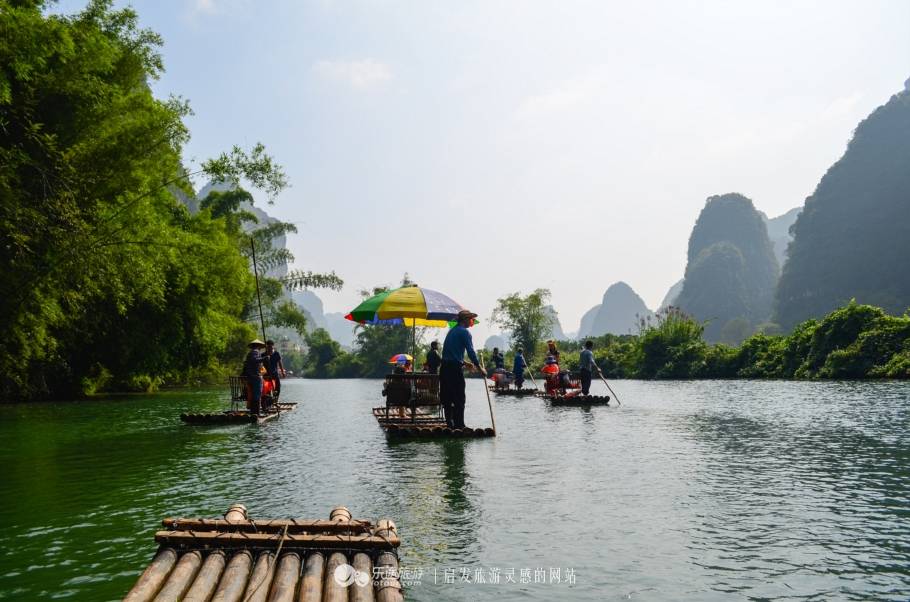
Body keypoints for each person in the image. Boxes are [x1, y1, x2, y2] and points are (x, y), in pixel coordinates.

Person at [440, 309, 481, 429]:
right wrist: (479, 367)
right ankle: (460, 425)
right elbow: (471, 351)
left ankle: (449, 423)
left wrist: (465, 363)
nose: (472, 321)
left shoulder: (451, 331)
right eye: (470, 319)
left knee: (447, 396)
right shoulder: (464, 332)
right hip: (454, 369)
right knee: (459, 397)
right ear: (465, 320)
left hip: (445, 368)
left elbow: (450, 354)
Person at [242, 339, 268, 414]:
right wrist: (264, 358)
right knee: (257, 395)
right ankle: (256, 412)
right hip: (255, 377)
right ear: (258, 346)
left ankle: (253, 411)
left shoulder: (250, 353)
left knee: (255, 394)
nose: (259, 348)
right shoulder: (255, 352)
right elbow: (255, 360)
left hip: (250, 377)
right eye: (259, 346)